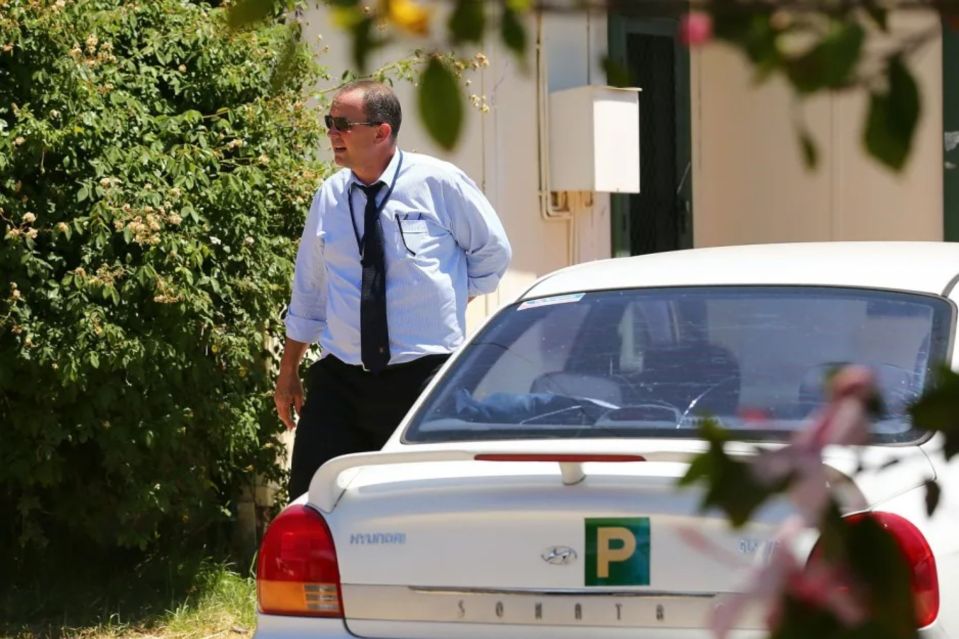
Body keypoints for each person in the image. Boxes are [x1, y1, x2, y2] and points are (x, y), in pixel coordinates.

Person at [274, 80, 512, 499]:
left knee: (422, 504)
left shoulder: (439, 183)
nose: (332, 133)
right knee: (314, 502)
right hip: (342, 379)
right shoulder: (329, 196)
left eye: (343, 124)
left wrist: (451, 297)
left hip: (423, 378)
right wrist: (288, 369)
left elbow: (492, 255)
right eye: (329, 122)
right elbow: (310, 290)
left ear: (381, 131)